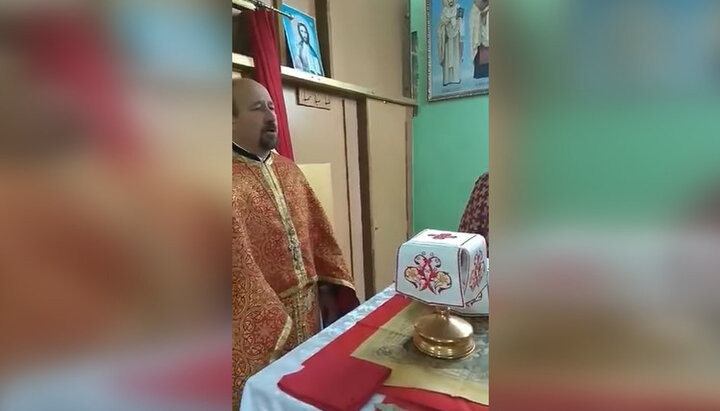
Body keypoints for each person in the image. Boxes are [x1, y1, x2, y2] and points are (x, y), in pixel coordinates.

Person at [232, 79, 359, 407]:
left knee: (311, 393)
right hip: (259, 327)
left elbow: (318, 239)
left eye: (272, 106)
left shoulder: (290, 172)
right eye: (258, 108)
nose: (271, 115)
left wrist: (329, 289)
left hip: (310, 311)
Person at [438, 0, 464, 86]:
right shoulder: (444, 11)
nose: (450, 1)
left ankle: (456, 78)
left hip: (456, 40)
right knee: (447, 59)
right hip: (447, 40)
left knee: (455, 57)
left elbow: (461, 21)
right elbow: (441, 24)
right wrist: (447, 22)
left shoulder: (458, 8)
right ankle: (447, 80)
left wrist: (456, 21)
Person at [471, 0, 489, 79]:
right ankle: (481, 73)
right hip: (480, 39)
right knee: (481, 55)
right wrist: (481, 16)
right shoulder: (476, 5)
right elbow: (473, 21)